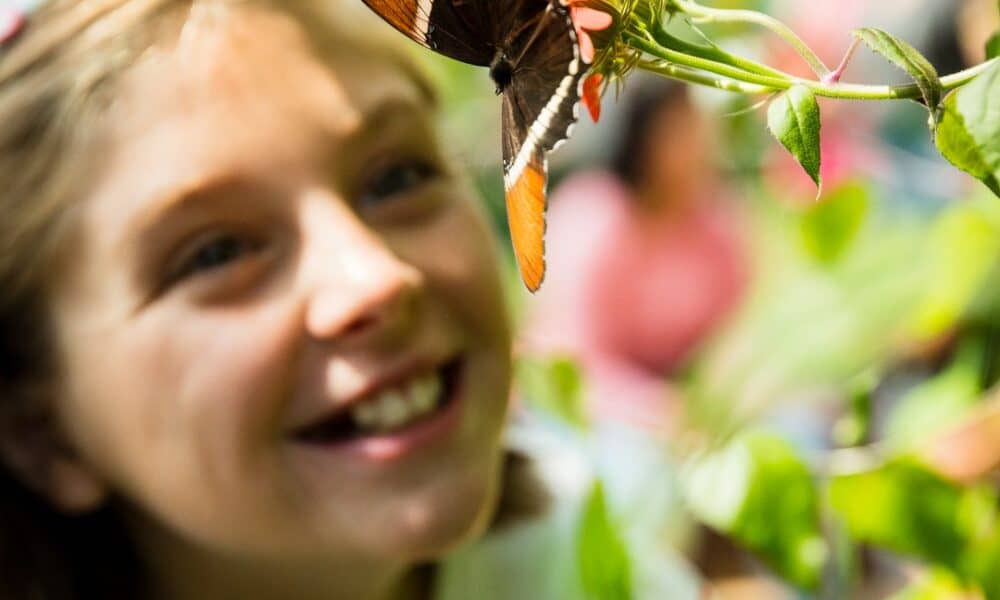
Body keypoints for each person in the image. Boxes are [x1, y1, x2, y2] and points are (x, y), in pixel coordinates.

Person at [0, 1, 701, 598]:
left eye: (398, 177)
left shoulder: (586, 557)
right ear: (42, 436)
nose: (375, 277)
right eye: (217, 253)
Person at [524, 78, 749, 430]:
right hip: (582, 404)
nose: (701, 146)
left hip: (679, 405)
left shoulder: (714, 220)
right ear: (641, 137)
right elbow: (579, 356)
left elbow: (737, 331)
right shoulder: (593, 220)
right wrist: (664, 411)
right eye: (681, 132)